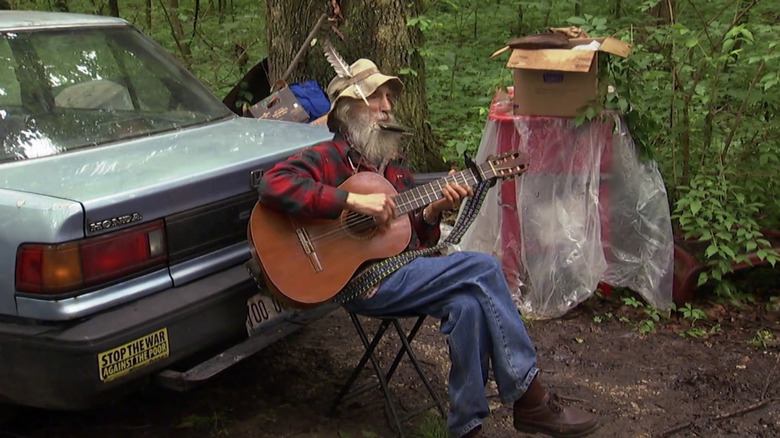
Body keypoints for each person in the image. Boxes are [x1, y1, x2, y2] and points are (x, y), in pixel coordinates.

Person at [256, 58, 599, 438]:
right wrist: (350, 202)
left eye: (390, 97)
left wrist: (434, 211)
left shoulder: (397, 168)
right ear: (349, 108)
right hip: (359, 283)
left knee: (467, 304)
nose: (388, 106)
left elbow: (413, 243)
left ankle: (466, 427)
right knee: (483, 268)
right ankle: (530, 398)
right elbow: (273, 184)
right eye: (377, 97)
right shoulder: (328, 158)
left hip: (401, 275)